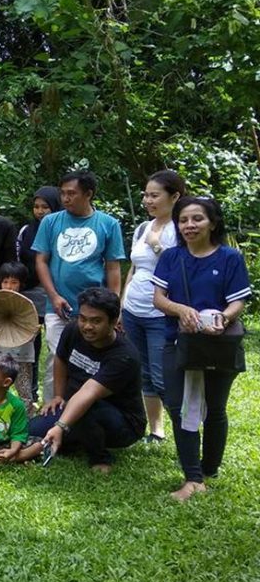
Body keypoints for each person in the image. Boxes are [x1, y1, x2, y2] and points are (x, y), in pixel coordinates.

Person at [152, 197, 251, 501]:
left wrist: (224, 316)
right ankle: (192, 477)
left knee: (216, 407)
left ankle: (209, 468)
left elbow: (238, 301)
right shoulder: (171, 257)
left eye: (197, 219)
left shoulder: (230, 258)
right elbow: (159, 298)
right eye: (183, 220)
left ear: (213, 222)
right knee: (177, 403)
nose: (189, 226)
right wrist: (181, 310)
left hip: (219, 343)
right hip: (178, 342)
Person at [32, 288, 146, 473]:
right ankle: (76, 438)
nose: (87, 326)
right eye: (83, 318)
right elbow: (60, 358)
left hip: (122, 423)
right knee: (34, 430)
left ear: (114, 321)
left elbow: (88, 393)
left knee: (87, 408)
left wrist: (60, 426)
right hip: (74, 405)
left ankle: (100, 458)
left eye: (96, 321)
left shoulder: (124, 356)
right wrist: (59, 395)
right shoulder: (73, 330)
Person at [33, 170, 124, 400]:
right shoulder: (51, 222)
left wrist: (115, 308)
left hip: (95, 309)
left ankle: (85, 407)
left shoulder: (108, 224)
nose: (65, 198)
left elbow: (113, 267)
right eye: (62, 193)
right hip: (58, 307)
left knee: (92, 359)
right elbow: (41, 261)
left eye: (71, 193)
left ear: (89, 194)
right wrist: (53, 296)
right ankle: (52, 408)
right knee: (57, 357)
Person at [121, 170, 184, 443]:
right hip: (133, 310)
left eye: (154, 195)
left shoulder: (181, 229)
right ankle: (156, 430)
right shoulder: (143, 228)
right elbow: (133, 268)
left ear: (175, 196)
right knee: (143, 372)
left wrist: (158, 247)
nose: (148, 200)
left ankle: (185, 432)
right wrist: (122, 304)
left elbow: (181, 270)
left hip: (162, 313)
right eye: (146, 194)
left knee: (162, 377)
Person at [16, 186, 61, 402]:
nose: (40, 211)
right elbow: (19, 258)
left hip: (53, 294)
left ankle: (54, 393)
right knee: (29, 346)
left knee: (54, 345)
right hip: (29, 294)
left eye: (46, 207)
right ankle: (30, 393)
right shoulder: (26, 230)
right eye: (36, 207)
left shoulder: (62, 230)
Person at [0, 262, 37, 411]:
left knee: (24, 391)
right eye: (5, 282)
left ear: (21, 284)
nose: (9, 286)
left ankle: (25, 421)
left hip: (22, 354)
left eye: (14, 282)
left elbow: (32, 330)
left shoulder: (28, 305)